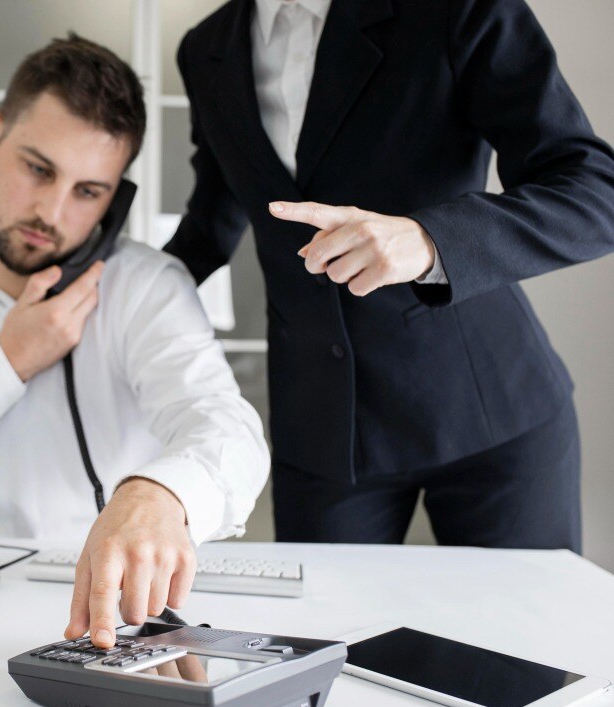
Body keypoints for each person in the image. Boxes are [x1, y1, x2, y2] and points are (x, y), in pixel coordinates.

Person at [0, 35, 269, 648]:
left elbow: (231, 430)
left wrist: (161, 493)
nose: (52, 213)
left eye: (88, 192)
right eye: (38, 170)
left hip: (100, 615)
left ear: (115, 201)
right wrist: (8, 360)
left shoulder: (147, 290)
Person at [163, 0, 614, 550]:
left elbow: (594, 191)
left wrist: (429, 240)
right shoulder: (205, 48)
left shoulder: (457, 9)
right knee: (325, 637)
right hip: (322, 428)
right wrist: (111, 288)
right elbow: (214, 217)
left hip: (487, 411)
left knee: (516, 636)